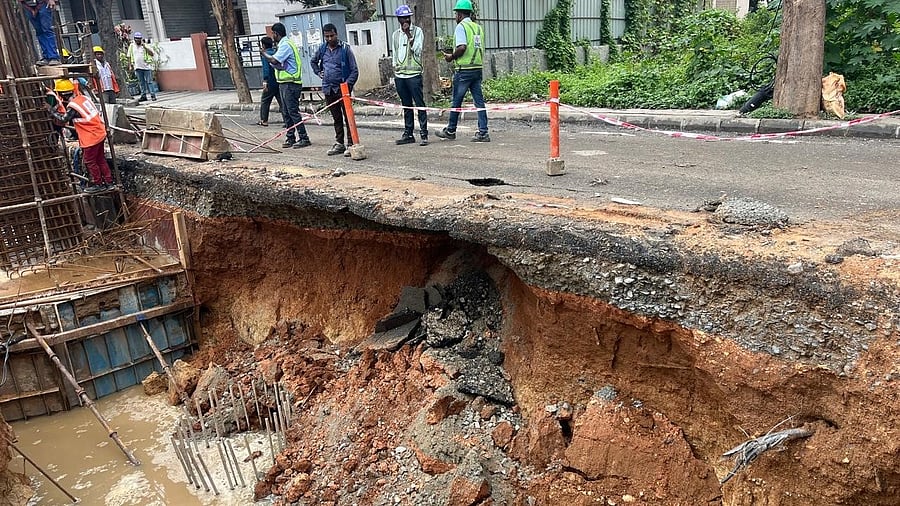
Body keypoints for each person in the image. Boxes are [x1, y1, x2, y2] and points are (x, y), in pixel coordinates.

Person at [435, 0, 490, 143]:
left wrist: (451, 57)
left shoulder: (461, 27)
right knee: (479, 102)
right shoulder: (477, 28)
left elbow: (462, 47)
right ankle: (483, 132)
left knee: (456, 101)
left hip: (464, 70)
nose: (455, 17)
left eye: (455, 14)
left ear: (459, 14)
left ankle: (451, 130)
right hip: (477, 69)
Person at [48, 79, 114, 192]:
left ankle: (98, 184)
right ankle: (109, 182)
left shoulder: (73, 106)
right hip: (99, 133)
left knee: (90, 161)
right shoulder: (83, 98)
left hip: (90, 138)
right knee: (100, 159)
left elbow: (64, 119)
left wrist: (51, 111)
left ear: (60, 94)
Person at [260, 23, 311, 149]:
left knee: (292, 111)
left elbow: (274, 60)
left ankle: (304, 137)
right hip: (284, 83)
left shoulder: (286, 45)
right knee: (286, 111)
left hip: (291, 83)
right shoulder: (283, 44)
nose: (272, 37)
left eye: (273, 34)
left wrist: (264, 53)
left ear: (276, 33)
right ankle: (290, 137)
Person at [311, 23, 359, 156]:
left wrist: (347, 85)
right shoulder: (322, 49)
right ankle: (339, 143)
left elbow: (354, 70)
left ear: (336, 34)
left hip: (342, 90)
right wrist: (319, 72)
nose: (329, 39)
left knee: (348, 117)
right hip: (328, 89)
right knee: (336, 118)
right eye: (327, 36)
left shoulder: (345, 49)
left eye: (332, 35)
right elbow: (313, 61)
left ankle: (351, 144)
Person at [391, 5, 428, 146]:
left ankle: (424, 134)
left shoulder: (417, 32)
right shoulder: (395, 35)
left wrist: (409, 35)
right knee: (406, 106)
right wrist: (395, 69)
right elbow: (394, 53)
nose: (406, 20)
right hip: (400, 75)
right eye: (403, 18)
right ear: (398, 19)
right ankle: (408, 133)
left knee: (419, 104)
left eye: (408, 17)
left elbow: (417, 50)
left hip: (414, 75)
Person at [20, 0, 61, 66]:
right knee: (39, 31)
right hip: (28, 5)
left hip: (43, 3)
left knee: (46, 30)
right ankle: (46, 57)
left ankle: (53, 57)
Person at [256, 36, 283, 127]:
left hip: (270, 81)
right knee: (281, 101)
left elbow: (266, 69)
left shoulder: (265, 55)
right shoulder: (276, 53)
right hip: (279, 80)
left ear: (263, 45)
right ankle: (287, 120)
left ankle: (264, 120)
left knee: (265, 100)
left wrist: (265, 81)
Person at [128, 32, 156, 102]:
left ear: (141, 39)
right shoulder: (131, 46)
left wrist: (145, 47)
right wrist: (130, 65)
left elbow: (152, 54)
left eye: (139, 39)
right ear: (134, 39)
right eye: (136, 39)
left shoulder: (145, 45)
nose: (138, 40)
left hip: (146, 67)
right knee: (141, 82)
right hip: (137, 67)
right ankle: (143, 96)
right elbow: (129, 56)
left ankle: (153, 95)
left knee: (149, 81)